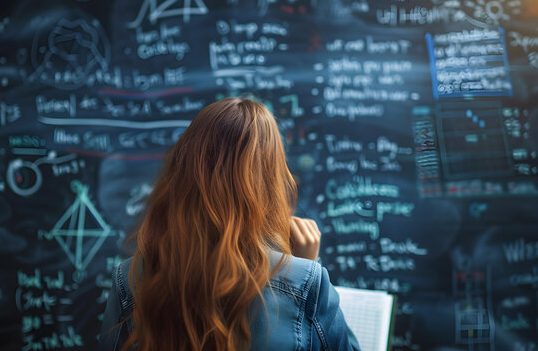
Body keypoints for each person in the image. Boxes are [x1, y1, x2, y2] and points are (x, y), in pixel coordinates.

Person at [98, 97, 360, 350]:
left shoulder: (131, 277)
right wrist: (304, 267)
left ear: (182, 175)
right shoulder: (306, 282)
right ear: (271, 182)